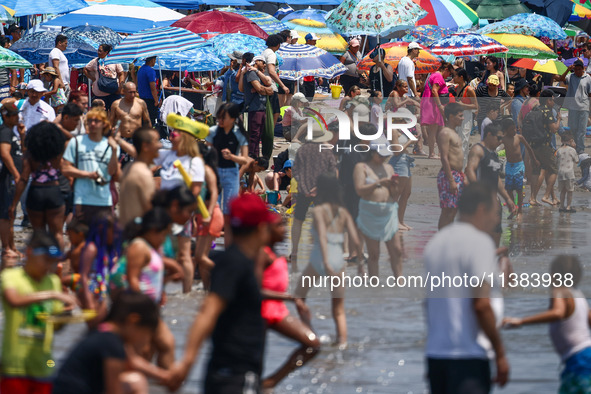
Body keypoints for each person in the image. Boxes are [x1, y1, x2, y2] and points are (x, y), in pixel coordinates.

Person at [165, 194, 275, 393]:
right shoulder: (234, 263)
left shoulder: (242, 262)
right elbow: (208, 312)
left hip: (232, 371)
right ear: (261, 228)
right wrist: (187, 363)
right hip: (233, 373)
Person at [424, 182, 509, 394]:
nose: (496, 220)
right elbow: (481, 305)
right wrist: (499, 352)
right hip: (468, 356)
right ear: (482, 209)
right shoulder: (479, 242)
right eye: (496, 212)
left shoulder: (436, 243)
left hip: (436, 356)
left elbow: (429, 304)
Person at [0, 230, 77, 394]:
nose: (48, 266)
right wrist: (53, 295)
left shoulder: (52, 281)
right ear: (29, 252)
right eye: (45, 260)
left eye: (52, 262)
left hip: (44, 365)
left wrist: (66, 314)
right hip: (14, 367)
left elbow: (55, 327)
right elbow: (14, 301)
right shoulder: (11, 276)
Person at [503, 255, 590, 393]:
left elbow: (558, 312)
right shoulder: (578, 295)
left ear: (554, 274)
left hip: (578, 360)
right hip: (584, 356)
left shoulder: (559, 290)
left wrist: (521, 321)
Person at [52, 291, 163, 394]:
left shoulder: (103, 332)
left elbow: (132, 362)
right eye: (147, 334)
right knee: (137, 381)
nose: (146, 341)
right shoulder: (112, 343)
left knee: (134, 381)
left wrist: (166, 377)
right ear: (133, 320)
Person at [296, 173, 359, 346]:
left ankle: (308, 335)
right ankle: (342, 343)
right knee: (338, 308)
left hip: (320, 258)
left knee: (299, 296)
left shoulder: (318, 211)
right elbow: (355, 238)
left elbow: (322, 236)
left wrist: (324, 262)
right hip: (338, 259)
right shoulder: (344, 212)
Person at [260, 214, 320, 389]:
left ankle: (269, 383)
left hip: (277, 309)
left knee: (312, 345)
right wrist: (291, 298)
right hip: (260, 310)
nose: (284, 230)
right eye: (279, 226)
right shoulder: (261, 254)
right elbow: (252, 289)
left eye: (283, 225)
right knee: (254, 358)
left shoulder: (276, 253)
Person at [154, 116, 204, 293]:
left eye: (174, 134)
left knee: (183, 254)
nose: (170, 136)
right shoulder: (168, 155)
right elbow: (145, 158)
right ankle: (161, 291)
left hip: (182, 213)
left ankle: (186, 293)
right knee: (160, 251)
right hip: (163, 212)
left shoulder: (194, 160)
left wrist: (185, 210)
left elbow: (196, 190)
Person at [9, 122, 67, 250]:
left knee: (37, 233)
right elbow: (64, 170)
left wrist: (14, 203)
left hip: (36, 192)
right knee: (57, 233)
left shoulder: (30, 156)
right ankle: (58, 264)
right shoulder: (57, 155)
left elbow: (24, 179)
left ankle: (37, 265)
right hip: (53, 191)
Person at [353, 134, 402, 277]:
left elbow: (394, 194)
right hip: (370, 212)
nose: (383, 158)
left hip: (389, 211)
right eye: (381, 155)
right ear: (372, 152)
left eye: (385, 155)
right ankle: (374, 285)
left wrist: (394, 186)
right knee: (374, 254)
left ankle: (400, 282)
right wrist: (378, 183)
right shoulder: (361, 167)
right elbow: (359, 190)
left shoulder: (388, 168)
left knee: (397, 250)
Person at [291, 122, 337, 271]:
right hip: (322, 192)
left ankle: (294, 252)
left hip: (303, 191)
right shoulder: (327, 151)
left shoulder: (302, 150)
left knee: (298, 221)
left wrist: (305, 189)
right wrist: (318, 188)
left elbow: (296, 172)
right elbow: (332, 173)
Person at [62, 108, 120, 225]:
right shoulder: (76, 142)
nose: (92, 124)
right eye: (90, 121)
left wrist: (114, 150)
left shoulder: (110, 146)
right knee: (82, 236)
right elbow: (65, 168)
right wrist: (88, 175)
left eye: (96, 121)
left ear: (104, 124)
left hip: (104, 199)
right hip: (82, 199)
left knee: (102, 239)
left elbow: (112, 171)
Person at [205, 102, 249, 246]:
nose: (220, 120)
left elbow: (244, 159)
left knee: (229, 212)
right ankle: (210, 243)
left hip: (232, 172)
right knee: (213, 208)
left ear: (233, 118)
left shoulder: (239, 133)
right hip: (215, 172)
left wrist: (232, 157)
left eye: (224, 117)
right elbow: (207, 152)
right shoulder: (212, 131)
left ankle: (229, 246)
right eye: (219, 117)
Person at [465, 123, 517, 246]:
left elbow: (497, 179)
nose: (501, 142)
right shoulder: (478, 150)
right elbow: (470, 170)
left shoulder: (494, 154)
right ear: (489, 135)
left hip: (494, 200)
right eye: (499, 138)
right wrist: (479, 192)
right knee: (481, 234)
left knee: (497, 232)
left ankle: (493, 259)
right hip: (481, 200)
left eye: (502, 139)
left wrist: (508, 199)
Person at [523, 90, 560, 206]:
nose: (553, 102)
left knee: (536, 171)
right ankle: (546, 196)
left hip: (533, 145)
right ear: (548, 100)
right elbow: (554, 129)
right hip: (544, 145)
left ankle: (532, 198)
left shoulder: (534, 110)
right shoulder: (547, 111)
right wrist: (558, 119)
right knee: (554, 170)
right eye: (553, 99)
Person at [119, 127, 161, 228]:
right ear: (145, 146)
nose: (160, 145)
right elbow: (148, 210)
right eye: (156, 141)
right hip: (139, 232)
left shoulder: (130, 167)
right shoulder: (143, 174)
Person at [194, 143, 223, 289]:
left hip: (210, 215)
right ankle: (207, 291)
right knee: (200, 259)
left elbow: (214, 194)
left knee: (200, 257)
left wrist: (208, 214)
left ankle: (231, 276)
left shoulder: (207, 170)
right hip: (203, 215)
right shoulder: (199, 170)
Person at [500, 117, 537, 219]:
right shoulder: (504, 139)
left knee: (519, 189)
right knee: (509, 190)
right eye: (512, 129)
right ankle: (513, 210)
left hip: (519, 166)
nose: (514, 131)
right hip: (509, 166)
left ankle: (520, 211)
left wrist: (534, 160)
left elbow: (529, 148)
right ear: (506, 130)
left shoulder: (519, 137)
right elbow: (494, 145)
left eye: (515, 128)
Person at [436, 102, 465, 230]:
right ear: (451, 117)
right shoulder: (445, 133)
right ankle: (441, 239)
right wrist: (451, 180)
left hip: (457, 174)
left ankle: (447, 237)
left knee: (454, 209)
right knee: (447, 210)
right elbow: (444, 157)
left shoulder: (454, 132)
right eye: (460, 116)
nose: (462, 118)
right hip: (449, 175)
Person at [0, 103, 24, 259]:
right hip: (7, 178)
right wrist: (16, 173)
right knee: (5, 214)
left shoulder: (12, 131)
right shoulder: (5, 132)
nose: (17, 117)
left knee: (12, 213)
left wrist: (22, 136)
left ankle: (12, 246)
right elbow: (4, 153)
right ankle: (6, 248)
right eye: (14, 115)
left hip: (13, 179)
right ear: (5, 116)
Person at [109, 82, 152, 166]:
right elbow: (110, 122)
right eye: (130, 92)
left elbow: (147, 121)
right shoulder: (116, 104)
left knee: (137, 165)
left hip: (136, 139)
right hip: (121, 139)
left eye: (134, 92)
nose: (133, 95)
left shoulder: (141, 103)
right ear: (123, 91)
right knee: (120, 165)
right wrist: (110, 137)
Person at [240, 55, 274, 158]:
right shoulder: (251, 73)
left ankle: (255, 158)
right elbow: (260, 89)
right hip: (254, 109)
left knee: (257, 135)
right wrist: (264, 89)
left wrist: (264, 89)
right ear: (256, 62)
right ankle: (251, 159)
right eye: (262, 62)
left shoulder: (257, 74)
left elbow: (270, 89)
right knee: (254, 136)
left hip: (260, 108)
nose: (264, 65)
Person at [420, 62, 454, 159]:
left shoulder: (434, 75)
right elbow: (434, 90)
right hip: (434, 105)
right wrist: (439, 105)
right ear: (446, 69)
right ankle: (432, 153)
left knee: (439, 129)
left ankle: (440, 153)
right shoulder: (438, 76)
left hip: (432, 104)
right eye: (449, 73)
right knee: (434, 130)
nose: (449, 76)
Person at [559, 59, 591, 153]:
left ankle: (580, 149)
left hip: (583, 108)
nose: (577, 71)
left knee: (581, 131)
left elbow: (589, 94)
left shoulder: (588, 78)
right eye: (575, 69)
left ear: (583, 69)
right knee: (573, 129)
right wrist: (567, 70)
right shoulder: (571, 76)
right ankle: (574, 146)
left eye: (579, 69)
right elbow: (561, 79)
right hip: (573, 107)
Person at [386, 79, 423, 155]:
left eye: (407, 87)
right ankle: (417, 147)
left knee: (418, 125)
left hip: (401, 118)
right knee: (416, 124)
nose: (407, 88)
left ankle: (418, 148)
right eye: (404, 87)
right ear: (398, 87)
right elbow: (396, 105)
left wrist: (422, 107)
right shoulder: (395, 93)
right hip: (391, 118)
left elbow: (414, 103)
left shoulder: (404, 96)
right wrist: (406, 101)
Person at [83, 43, 125, 111]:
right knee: (100, 114)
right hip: (99, 93)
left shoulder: (114, 61)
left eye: (100, 51)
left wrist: (120, 87)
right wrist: (93, 79)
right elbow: (85, 69)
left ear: (106, 52)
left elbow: (121, 74)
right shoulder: (95, 61)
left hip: (113, 92)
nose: (98, 52)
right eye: (98, 50)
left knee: (115, 112)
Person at [453, 68, 478, 167]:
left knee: (464, 141)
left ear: (461, 77)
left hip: (466, 117)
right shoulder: (455, 89)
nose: (453, 78)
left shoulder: (469, 90)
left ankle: (462, 168)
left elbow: (475, 106)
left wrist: (463, 105)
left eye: (455, 76)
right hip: (456, 116)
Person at [262, 34, 289, 128]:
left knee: (269, 110)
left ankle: (267, 131)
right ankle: (270, 131)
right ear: (278, 44)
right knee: (275, 111)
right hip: (271, 86)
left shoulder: (264, 52)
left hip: (264, 84)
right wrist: (283, 86)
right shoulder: (271, 54)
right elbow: (271, 71)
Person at [555, 132, 579, 213]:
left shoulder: (559, 150)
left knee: (562, 191)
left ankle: (562, 207)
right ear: (571, 141)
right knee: (570, 191)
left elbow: (556, 161)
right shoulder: (572, 150)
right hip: (569, 173)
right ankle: (568, 207)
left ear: (561, 141)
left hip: (561, 173)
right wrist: (574, 147)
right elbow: (577, 161)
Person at [137, 56, 160, 126]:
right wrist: (156, 101)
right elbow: (153, 88)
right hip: (149, 100)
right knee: (150, 120)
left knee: (142, 120)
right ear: (152, 60)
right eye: (155, 60)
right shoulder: (150, 71)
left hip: (141, 98)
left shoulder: (140, 70)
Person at [302, 33, 321, 100]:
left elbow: (317, 64)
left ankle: (307, 110)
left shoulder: (314, 51)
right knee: (303, 98)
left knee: (310, 98)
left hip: (311, 79)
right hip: (303, 79)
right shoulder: (302, 50)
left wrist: (320, 76)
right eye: (314, 41)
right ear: (308, 41)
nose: (315, 43)